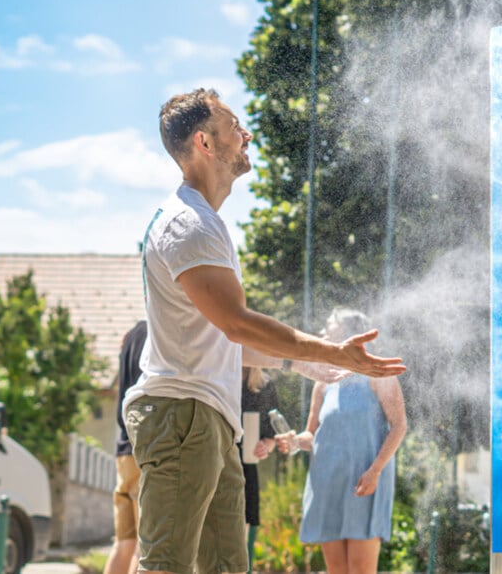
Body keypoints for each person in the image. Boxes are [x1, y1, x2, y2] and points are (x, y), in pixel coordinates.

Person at [122, 88, 405, 574]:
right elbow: (238, 322)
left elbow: (225, 339)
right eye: (234, 127)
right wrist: (331, 352)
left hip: (207, 417)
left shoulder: (205, 223)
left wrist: (300, 363)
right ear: (204, 142)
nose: (246, 134)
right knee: (167, 565)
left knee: (227, 566)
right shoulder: (189, 225)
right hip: (181, 414)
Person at [276, 309, 408, 574]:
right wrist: (295, 440)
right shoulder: (323, 381)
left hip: (365, 481)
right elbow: (312, 435)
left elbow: (399, 426)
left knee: (360, 570)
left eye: (329, 325)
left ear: (348, 332)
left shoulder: (378, 374)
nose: (322, 331)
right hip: (328, 482)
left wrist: (375, 471)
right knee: (336, 569)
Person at [103, 320, 148, 574]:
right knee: (145, 546)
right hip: (144, 449)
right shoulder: (159, 332)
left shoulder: (131, 335)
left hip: (123, 451)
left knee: (123, 543)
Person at [238, 367, 279, 573]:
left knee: (243, 532)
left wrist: (265, 447)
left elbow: (271, 436)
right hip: (215, 463)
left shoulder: (264, 385)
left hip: (246, 468)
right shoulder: (218, 374)